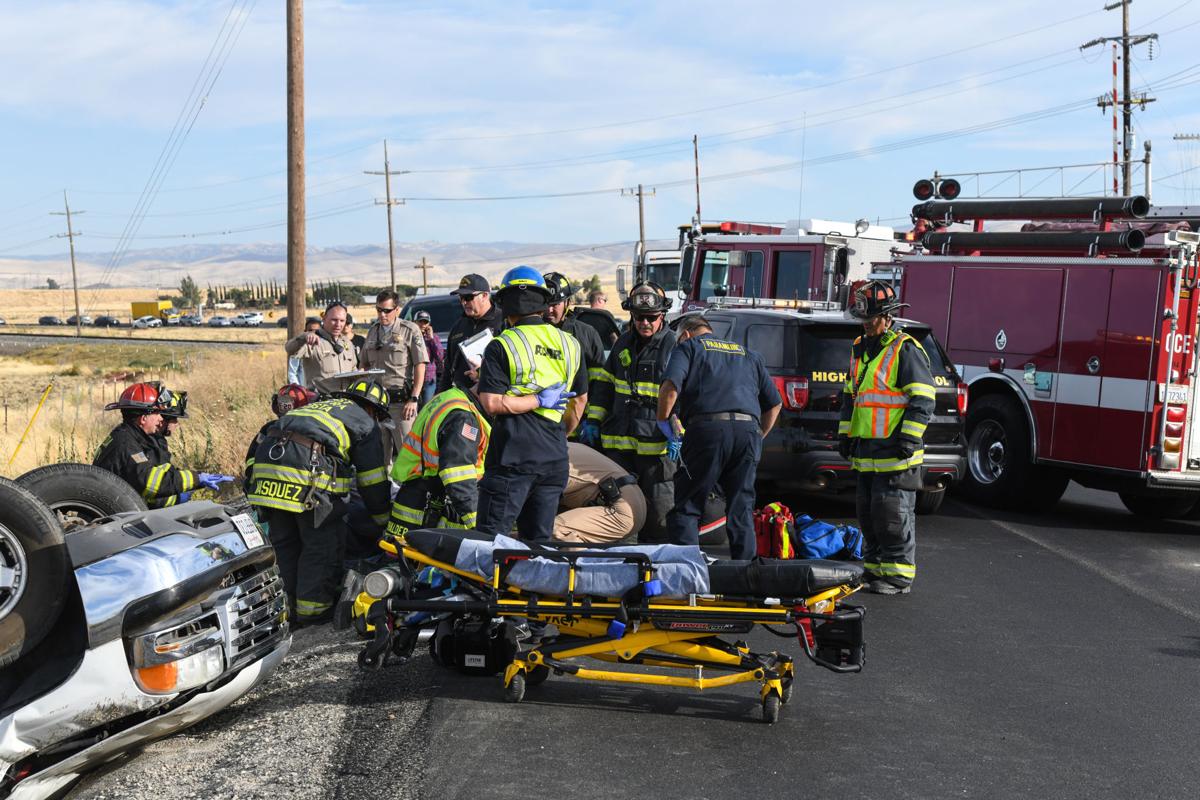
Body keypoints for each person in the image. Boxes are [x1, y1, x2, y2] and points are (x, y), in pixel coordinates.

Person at [246, 378, 392, 625]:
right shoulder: (364, 422)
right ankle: (313, 614)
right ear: (372, 409)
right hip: (307, 476)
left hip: (267, 472)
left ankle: (285, 610)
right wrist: (383, 521)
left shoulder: (320, 406)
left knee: (285, 544)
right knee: (321, 545)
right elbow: (372, 480)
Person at [475, 266, 588, 544]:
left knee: (490, 542)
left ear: (504, 303)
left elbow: (491, 402)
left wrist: (536, 400)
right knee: (538, 544)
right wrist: (562, 433)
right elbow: (580, 400)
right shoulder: (570, 343)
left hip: (513, 454)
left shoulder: (503, 344)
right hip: (554, 456)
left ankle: (487, 590)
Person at [838, 280, 935, 595]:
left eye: (871, 318)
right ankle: (874, 569)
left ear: (888, 316)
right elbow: (851, 397)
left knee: (893, 514)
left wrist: (908, 438)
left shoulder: (905, 349)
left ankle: (898, 576)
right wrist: (845, 436)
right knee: (869, 515)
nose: (866, 324)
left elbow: (922, 398)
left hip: (896, 452)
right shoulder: (860, 348)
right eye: (863, 319)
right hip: (867, 451)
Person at [658, 315, 782, 560]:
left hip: (707, 430)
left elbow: (671, 386)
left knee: (688, 506)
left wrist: (664, 421)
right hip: (748, 432)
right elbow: (775, 404)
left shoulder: (688, 347)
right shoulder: (748, 354)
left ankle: (687, 574)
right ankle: (745, 579)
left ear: (685, 334)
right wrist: (758, 436)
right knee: (741, 508)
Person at [580, 282, 677, 541]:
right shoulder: (623, 343)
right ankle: (624, 563)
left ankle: (657, 566)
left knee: (659, 514)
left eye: (651, 317)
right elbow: (604, 385)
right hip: (620, 445)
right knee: (621, 509)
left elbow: (683, 397)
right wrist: (593, 420)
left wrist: (679, 432)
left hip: (656, 451)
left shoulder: (673, 346)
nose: (644, 323)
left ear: (663, 315)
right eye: (638, 317)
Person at [94, 382, 231, 508]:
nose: (161, 418)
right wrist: (196, 479)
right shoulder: (126, 444)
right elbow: (150, 483)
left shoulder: (132, 437)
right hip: (112, 517)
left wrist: (181, 492)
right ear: (143, 418)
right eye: (157, 413)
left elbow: (142, 490)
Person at [387, 384, 490, 536]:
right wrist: (478, 525)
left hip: (412, 499)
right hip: (430, 510)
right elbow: (458, 478)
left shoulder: (449, 396)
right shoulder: (464, 417)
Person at [359, 290, 428, 458]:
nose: (382, 315)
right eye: (379, 310)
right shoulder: (373, 331)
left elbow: (420, 365)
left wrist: (414, 398)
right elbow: (363, 364)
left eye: (387, 311)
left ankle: (408, 485)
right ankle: (385, 485)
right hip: (376, 404)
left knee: (407, 454)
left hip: (401, 404)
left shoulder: (409, 330)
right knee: (379, 455)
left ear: (397, 309)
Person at [553, 442, 646, 545]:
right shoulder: (560, 445)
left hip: (619, 511)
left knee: (550, 529)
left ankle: (581, 559)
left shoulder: (545, 460)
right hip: (627, 500)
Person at [439, 273, 504, 394]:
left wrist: (482, 374)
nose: (464, 302)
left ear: (484, 295)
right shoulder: (458, 327)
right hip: (461, 402)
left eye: (468, 297)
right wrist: (438, 398)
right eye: (461, 298)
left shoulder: (503, 322)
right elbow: (448, 369)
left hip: (494, 399)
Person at [543, 271, 605, 393]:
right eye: (546, 304)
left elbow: (600, 381)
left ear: (568, 303)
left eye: (555, 304)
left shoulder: (587, 334)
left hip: (579, 409)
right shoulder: (531, 333)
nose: (549, 310)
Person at [244, 383, 318, 485]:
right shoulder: (311, 429)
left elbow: (251, 457)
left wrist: (252, 476)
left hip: (264, 486)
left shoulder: (268, 429)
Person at [284, 302, 358, 395]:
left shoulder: (347, 343)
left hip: (345, 402)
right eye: (334, 320)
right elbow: (289, 349)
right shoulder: (312, 340)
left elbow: (353, 370)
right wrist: (304, 337)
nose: (338, 324)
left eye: (342, 321)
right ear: (324, 319)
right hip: (320, 403)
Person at [415, 310, 445, 408]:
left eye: (425, 322)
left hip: (429, 379)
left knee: (427, 408)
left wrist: (431, 338)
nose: (423, 324)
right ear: (415, 322)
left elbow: (440, 356)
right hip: (412, 378)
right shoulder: (410, 337)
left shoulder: (434, 338)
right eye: (420, 321)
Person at [287, 318, 323, 385]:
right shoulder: (299, 348)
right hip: (305, 391)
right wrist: (298, 389)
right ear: (305, 332)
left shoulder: (325, 347)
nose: (313, 333)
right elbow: (292, 372)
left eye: (316, 331)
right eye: (310, 330)